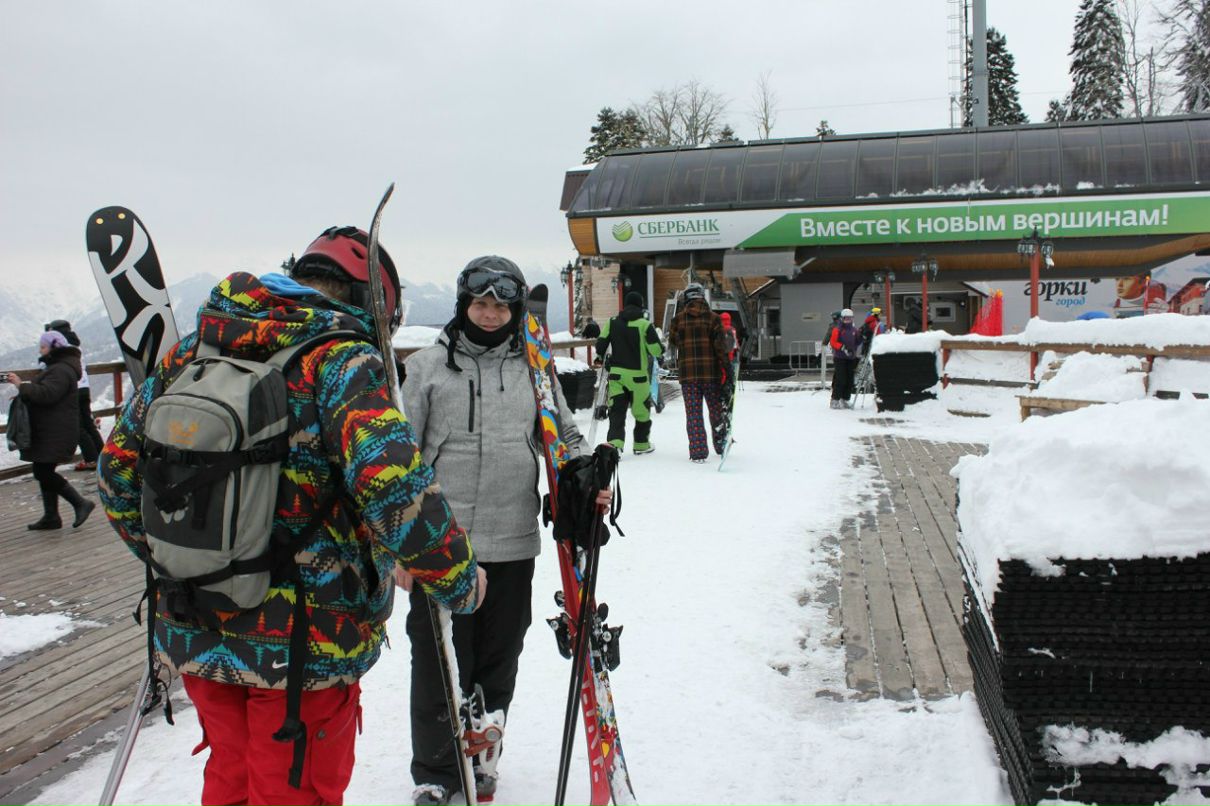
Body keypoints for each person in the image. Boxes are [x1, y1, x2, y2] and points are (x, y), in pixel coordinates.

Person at [98, 226, 484, 806]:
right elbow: (393, 484)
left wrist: (181, 564)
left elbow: (116, 476)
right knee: (297, 792)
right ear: (374, 305)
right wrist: (459, 580)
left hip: (196, 625)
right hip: (307, 644)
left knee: (229, 779)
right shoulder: (339, 360)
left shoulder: (193, 351)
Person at [400, 255, 608, 806]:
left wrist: (585, 477)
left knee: (499, 655)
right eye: (480, 303)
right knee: (439, 660)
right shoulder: (426, 368)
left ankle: (482, 754)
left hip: (513, 539)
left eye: (500, 306)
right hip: (440, 545)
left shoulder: (534, 370)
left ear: (516, 312)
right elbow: (398, 458)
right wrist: (399, 545)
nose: (490, 314)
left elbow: (562, 434)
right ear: (464, 304)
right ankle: (438, 773)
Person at [6, 331, 95, 530]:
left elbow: (47, 394)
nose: (40, 350)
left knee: (43, 471)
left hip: (55, 432)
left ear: (54, 347)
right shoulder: (60, 367)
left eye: (43, 347)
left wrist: (21, 386)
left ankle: (80, 503)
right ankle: (51, 517)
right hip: (52, 430)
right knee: (43, 469)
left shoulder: (60, 370)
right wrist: (24, 394)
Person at [594, 291, 663, 454]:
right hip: (638, 378)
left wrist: (600, 356)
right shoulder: (644, 325)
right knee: (641, 412)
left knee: (617, 411)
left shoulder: (612, 322)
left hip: (617, 376)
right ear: (640, 306)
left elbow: (601, 344)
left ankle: (615, 444)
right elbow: (656, 350)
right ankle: (641, 444)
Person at [668, 283, 729, 463]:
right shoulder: (714, 319)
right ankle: (721, 444)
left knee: (693, 414)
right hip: (711, 375)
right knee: (716, 411)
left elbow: (674, 341)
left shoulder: (677, 320)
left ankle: (698, 452)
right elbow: (721, 348)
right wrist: (727, 368)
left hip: (688, 376)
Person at [44, 320, 105, 471]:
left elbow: (47, 364)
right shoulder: (75, 345)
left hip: (72, 388)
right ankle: (103, 456)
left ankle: (91, 459)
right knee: (88, 424)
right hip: (84, 387)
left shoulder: (61, 346)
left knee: (77, 426)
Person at [829, 309, 861, 409]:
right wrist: (842, 347)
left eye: (850, 318)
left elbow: (857, 342)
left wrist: (862, 338)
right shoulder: (837, 329)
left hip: (851, 358)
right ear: (842, 319)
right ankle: (835, 399)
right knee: (841, 379)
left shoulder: (854, 330)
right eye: (846, 318)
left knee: (850, 380)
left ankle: (845, 398)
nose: (848, 320)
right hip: (840, 358)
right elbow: (833, 342)